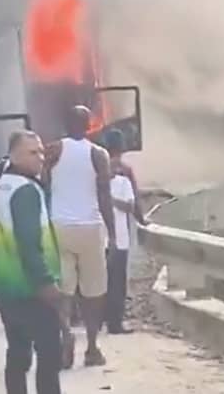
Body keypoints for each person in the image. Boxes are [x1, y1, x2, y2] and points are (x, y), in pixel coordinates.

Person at [0, 130, 62, 394]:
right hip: (30, 287)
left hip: (5, 287)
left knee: (17, 352)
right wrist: (45, 282)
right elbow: (29, 243)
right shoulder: (26, 191)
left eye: (41, 152)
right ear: (14, 155)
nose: (41, 158)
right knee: (50, 352)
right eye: (32, 152)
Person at [44, 105, 115, 368]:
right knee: (93, 292)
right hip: (90, 228)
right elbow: (104, 195)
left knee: (63, 291)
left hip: (59, 227)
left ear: (65, 124)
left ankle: (66, 334)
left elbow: (44, 186)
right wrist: (113, 233)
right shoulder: (99, 154)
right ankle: (92, 347)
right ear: (89, 125)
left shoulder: (52, 151)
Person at [104, 128, 146, 334]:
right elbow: (134, 203)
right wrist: (142, 220)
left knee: (101, 278)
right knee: (118, 279)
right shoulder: (125, 171)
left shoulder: (97, 169)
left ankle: (98, 318)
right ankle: (115, 321)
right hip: (119, 234)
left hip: (98, 234)